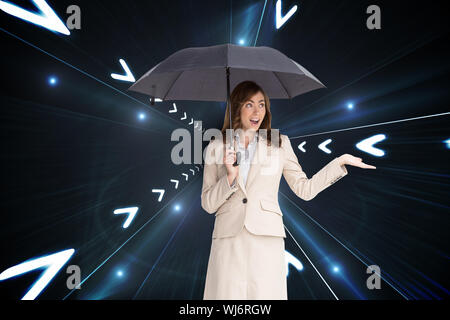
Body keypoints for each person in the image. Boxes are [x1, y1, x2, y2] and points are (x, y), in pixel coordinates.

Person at [201, 81, 376, 300]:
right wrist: (229, 177)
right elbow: (208, 204)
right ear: (236, 107)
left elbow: (305, 189)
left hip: (266, 238)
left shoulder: (279, 143)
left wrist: (339, 163)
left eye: (262, 104)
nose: (257, 112)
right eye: (249, 104)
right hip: (228, 239)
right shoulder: (217, 147)